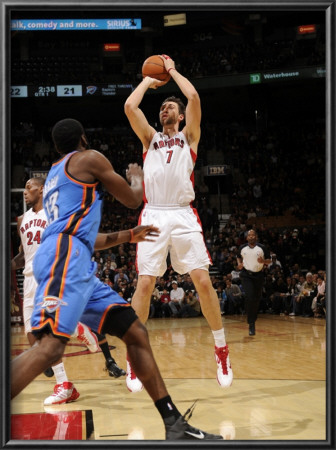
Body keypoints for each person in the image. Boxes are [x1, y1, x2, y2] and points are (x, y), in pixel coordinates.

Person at [11, 118, 223, 441]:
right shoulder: (89, 158)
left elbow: (85, 234)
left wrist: (127, 235)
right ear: (83, 138)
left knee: (135, 330)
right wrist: (137, 179)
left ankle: (174, 425)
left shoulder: (54, 175)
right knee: (51, 347)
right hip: (64, 258)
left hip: (76, 259)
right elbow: (133, 199)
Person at [124, 54, 233, 392]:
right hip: (154, 213)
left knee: (201, 280)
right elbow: (130, 106)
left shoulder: (190, 137)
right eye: (162, 108)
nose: (164, 111)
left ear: (181, 116)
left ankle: (221, 349)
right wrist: (147, 80)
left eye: (170, 108)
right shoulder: (150, 139)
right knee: (144, 285)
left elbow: (195, 97)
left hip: (183, 213)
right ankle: (134, 356)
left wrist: (170, 71)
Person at [11, 177, 100, 405]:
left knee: (46, 332)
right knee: (33, 338)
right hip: (29, 279)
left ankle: (63, 384)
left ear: (42, 190)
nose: (25, 191)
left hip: (49, 275)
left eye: (29, 187)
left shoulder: (56, 215)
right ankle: (78, 329)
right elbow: (23, 256)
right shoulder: (22, 220)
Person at [237, 229, 271, 335]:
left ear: (256, 237)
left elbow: (269, 260)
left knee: (256, 299)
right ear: (247, 238)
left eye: (253, 235)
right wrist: (239, 264)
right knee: (250, 296)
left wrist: (263, 261)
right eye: (249, 235)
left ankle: (253, 318)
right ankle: (251, 323)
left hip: (259, 275)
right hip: (246, 275)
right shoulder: (242, 248)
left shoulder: (262, 248)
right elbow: (238, 257)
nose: (251, 237)